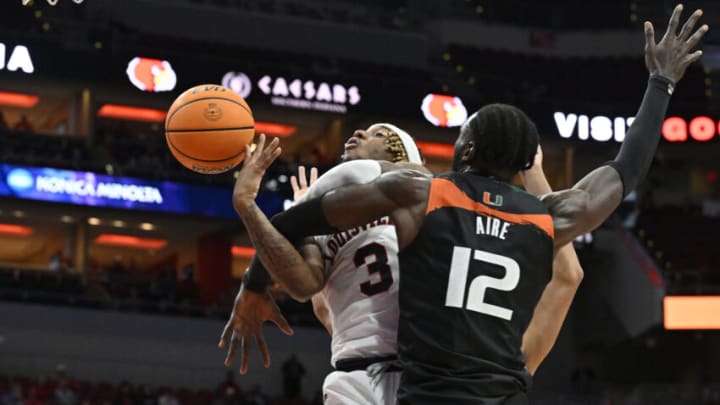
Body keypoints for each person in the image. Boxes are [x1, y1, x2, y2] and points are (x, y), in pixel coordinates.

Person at [229, 6, 706, 404]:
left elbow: (297, 219)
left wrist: (253, 279)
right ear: (522, 165)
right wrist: (661, 82)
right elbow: (627, 170)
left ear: (468, 151)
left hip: (424, 393)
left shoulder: (422, 192)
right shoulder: (543, 217)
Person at [222, 125, 583, 405]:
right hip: (363, 375)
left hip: (432, 376)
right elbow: (321, 301)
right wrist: (296, 222)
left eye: (381, 133)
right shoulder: (342, 218)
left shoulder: (431, 204)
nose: (361, 133)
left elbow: (568, 275)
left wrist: (531, 173)